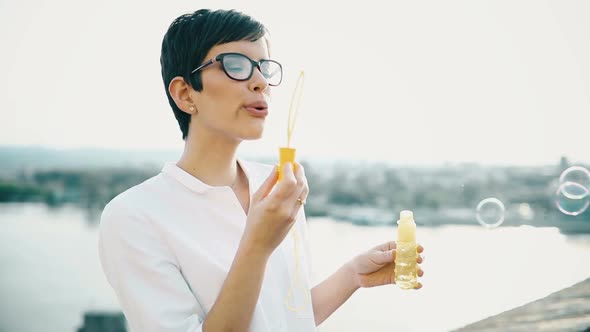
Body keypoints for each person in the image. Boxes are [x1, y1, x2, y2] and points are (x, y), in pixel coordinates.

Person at [98, 8, 424, 332]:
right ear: (185, 94)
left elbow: (285, 317)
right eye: (236, 65)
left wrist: (353, 275)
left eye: (263, 68)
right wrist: (257, 244)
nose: (260, 82)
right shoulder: (134, 217)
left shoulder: (276, 187)